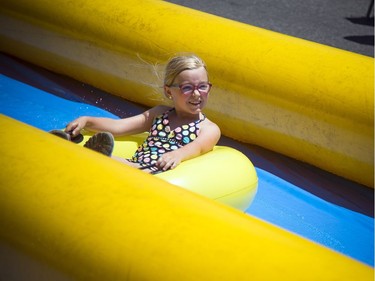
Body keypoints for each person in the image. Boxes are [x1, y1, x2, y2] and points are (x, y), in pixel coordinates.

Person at [52, 54, 221, 174]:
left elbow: (197, 147)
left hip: (160, 172)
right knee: (126, 165)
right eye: (187, 88)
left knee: (129, 168)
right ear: (169, 91)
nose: (197, 94)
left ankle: (88, 156)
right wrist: (87, 120)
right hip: (136, 165)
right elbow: (120, 126)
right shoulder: (160, 114)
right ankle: (68, 147)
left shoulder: (208, 128)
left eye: (203, 86)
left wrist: (177, 154)